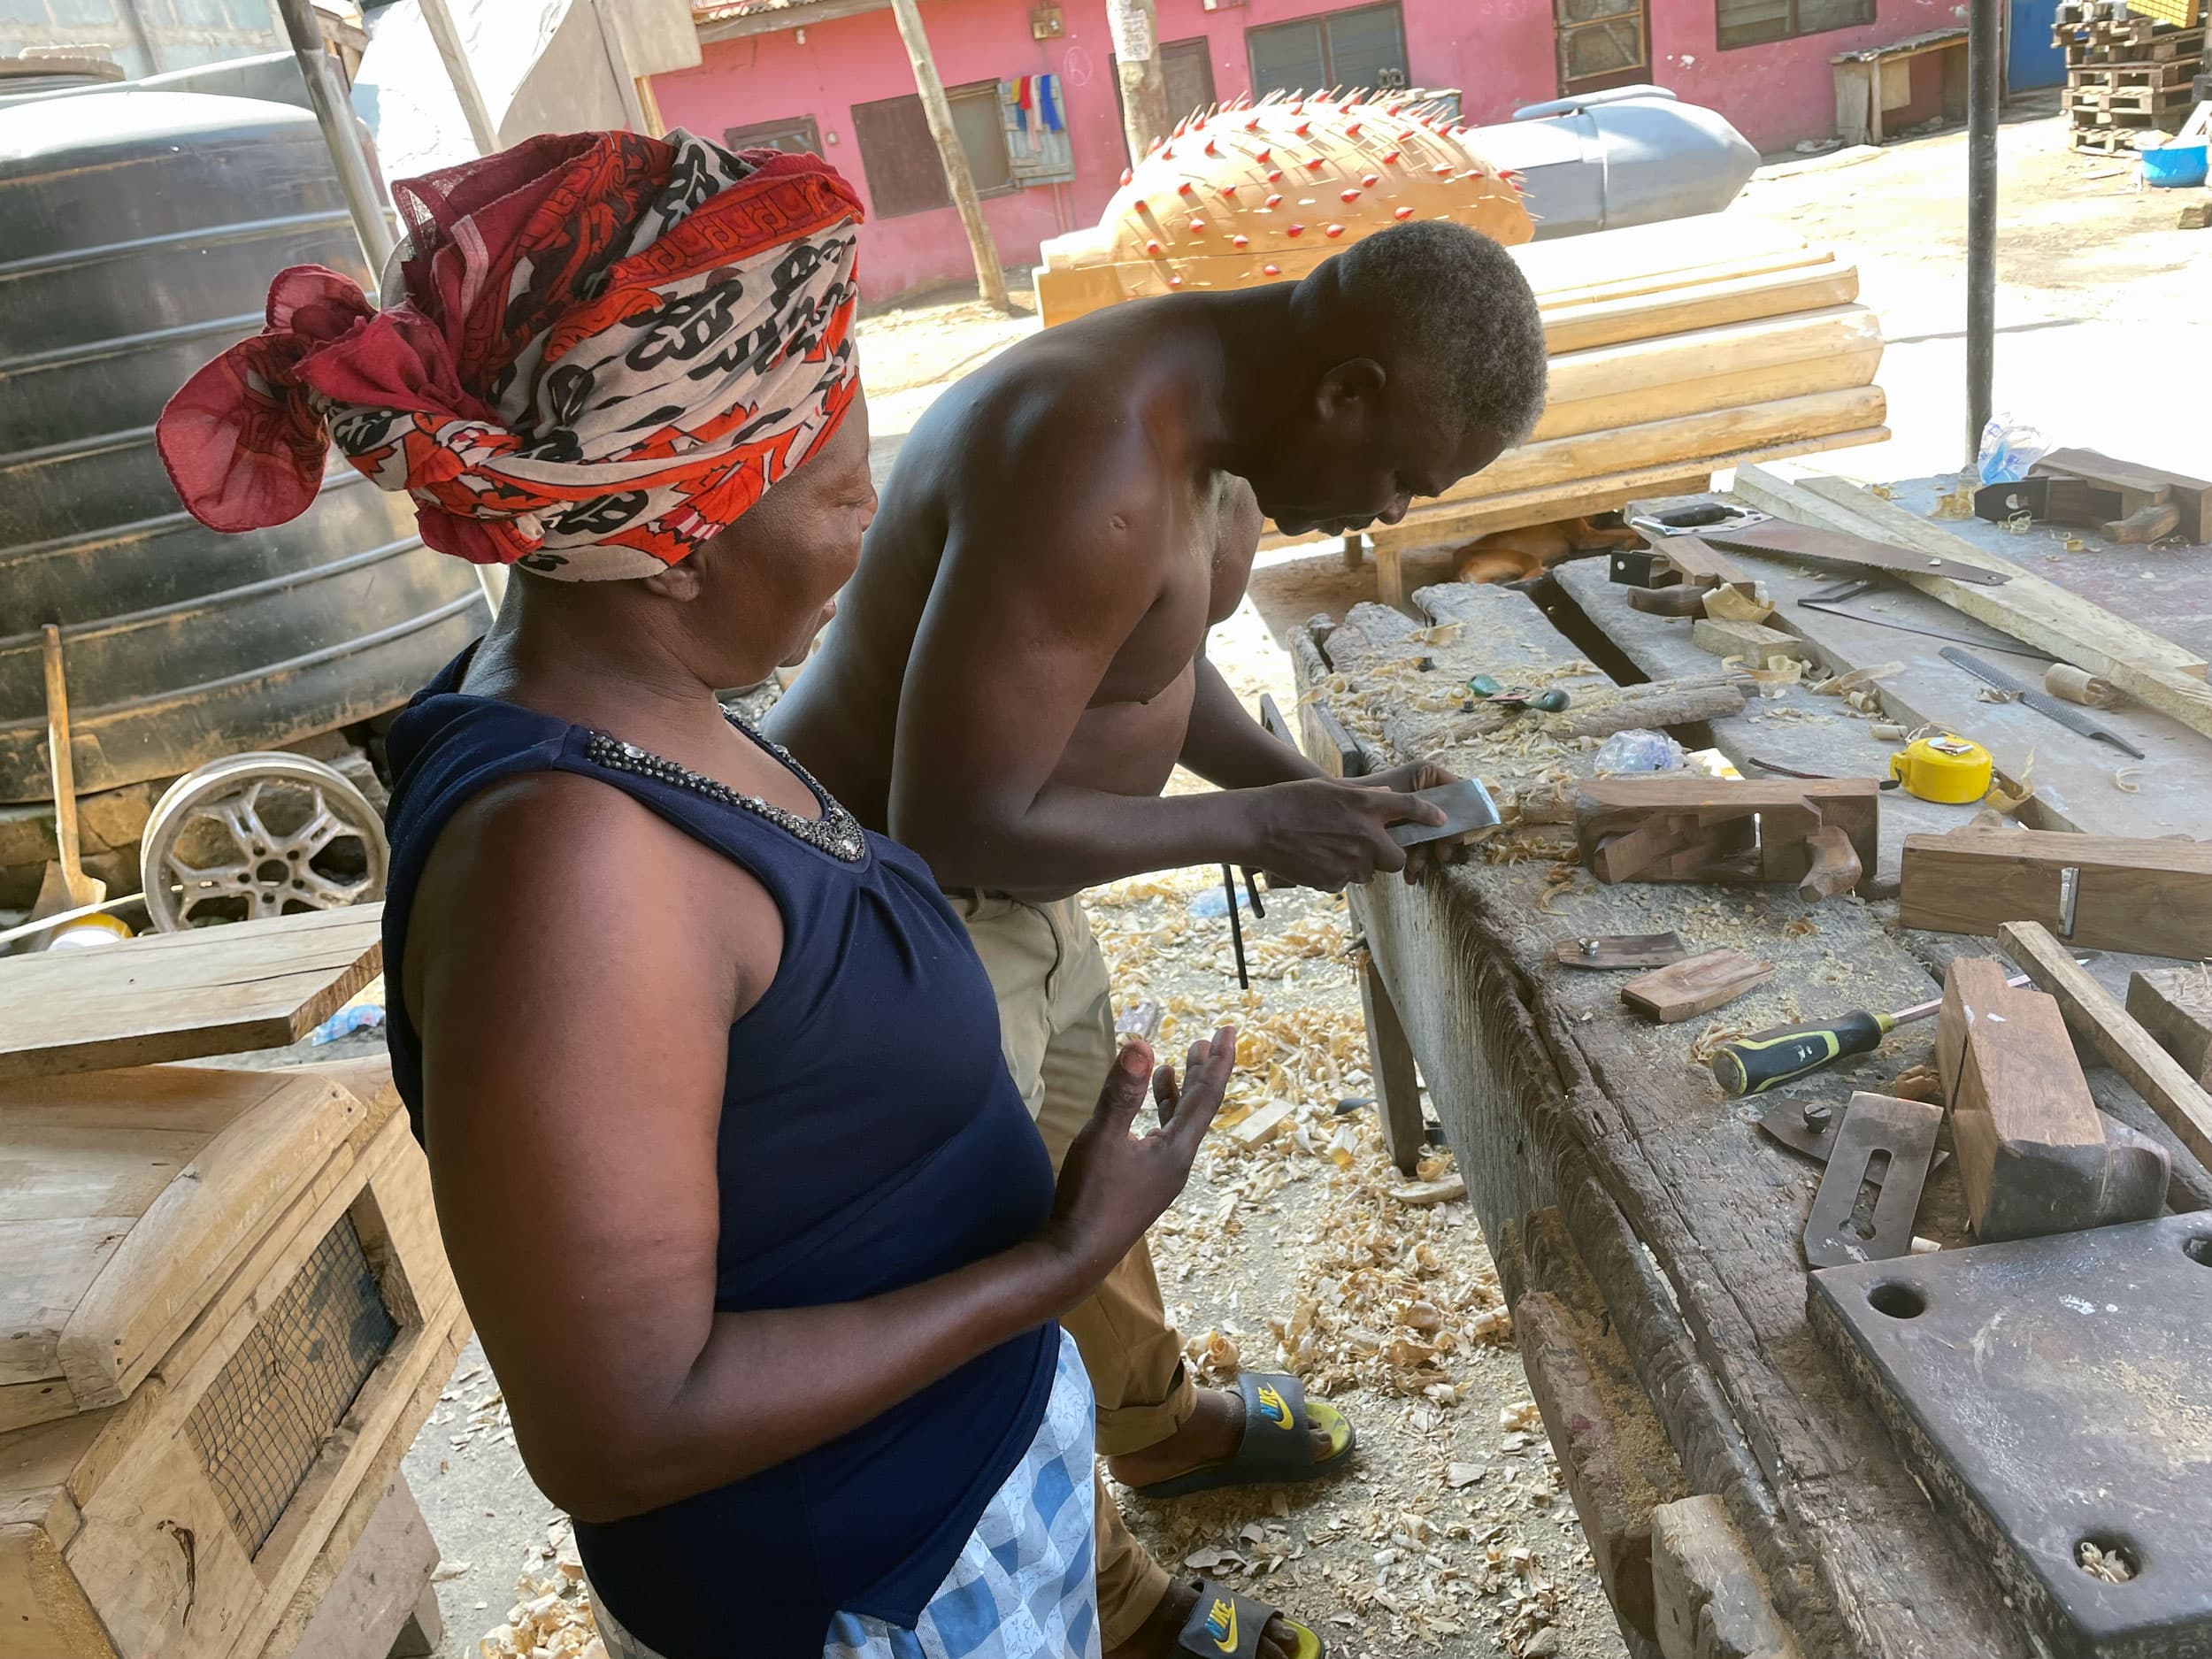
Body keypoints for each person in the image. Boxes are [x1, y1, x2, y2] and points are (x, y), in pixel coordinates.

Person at [156, 130, 1252, 1659]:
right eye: (843, 496)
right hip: (855, 1581)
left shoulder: (659, 718)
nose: (868, 535)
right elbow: (619, 1425)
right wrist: (1054, 1271)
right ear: (670, 548)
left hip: (944, 1499)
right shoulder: (572, 865)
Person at [768, 219, 1549, 1659]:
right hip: (900, 912)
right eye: (1397, 476)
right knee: (996, 1283)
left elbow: (1151, 671)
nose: (1378, 514)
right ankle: (1116, 1606)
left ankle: (1156, 1423)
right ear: (1345, 391)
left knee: (1089, 1168)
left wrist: (1299, 790)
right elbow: (951, 817)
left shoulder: (1221, 446)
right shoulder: (1097, 457)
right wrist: (1256, 837)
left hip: (1031, 885)